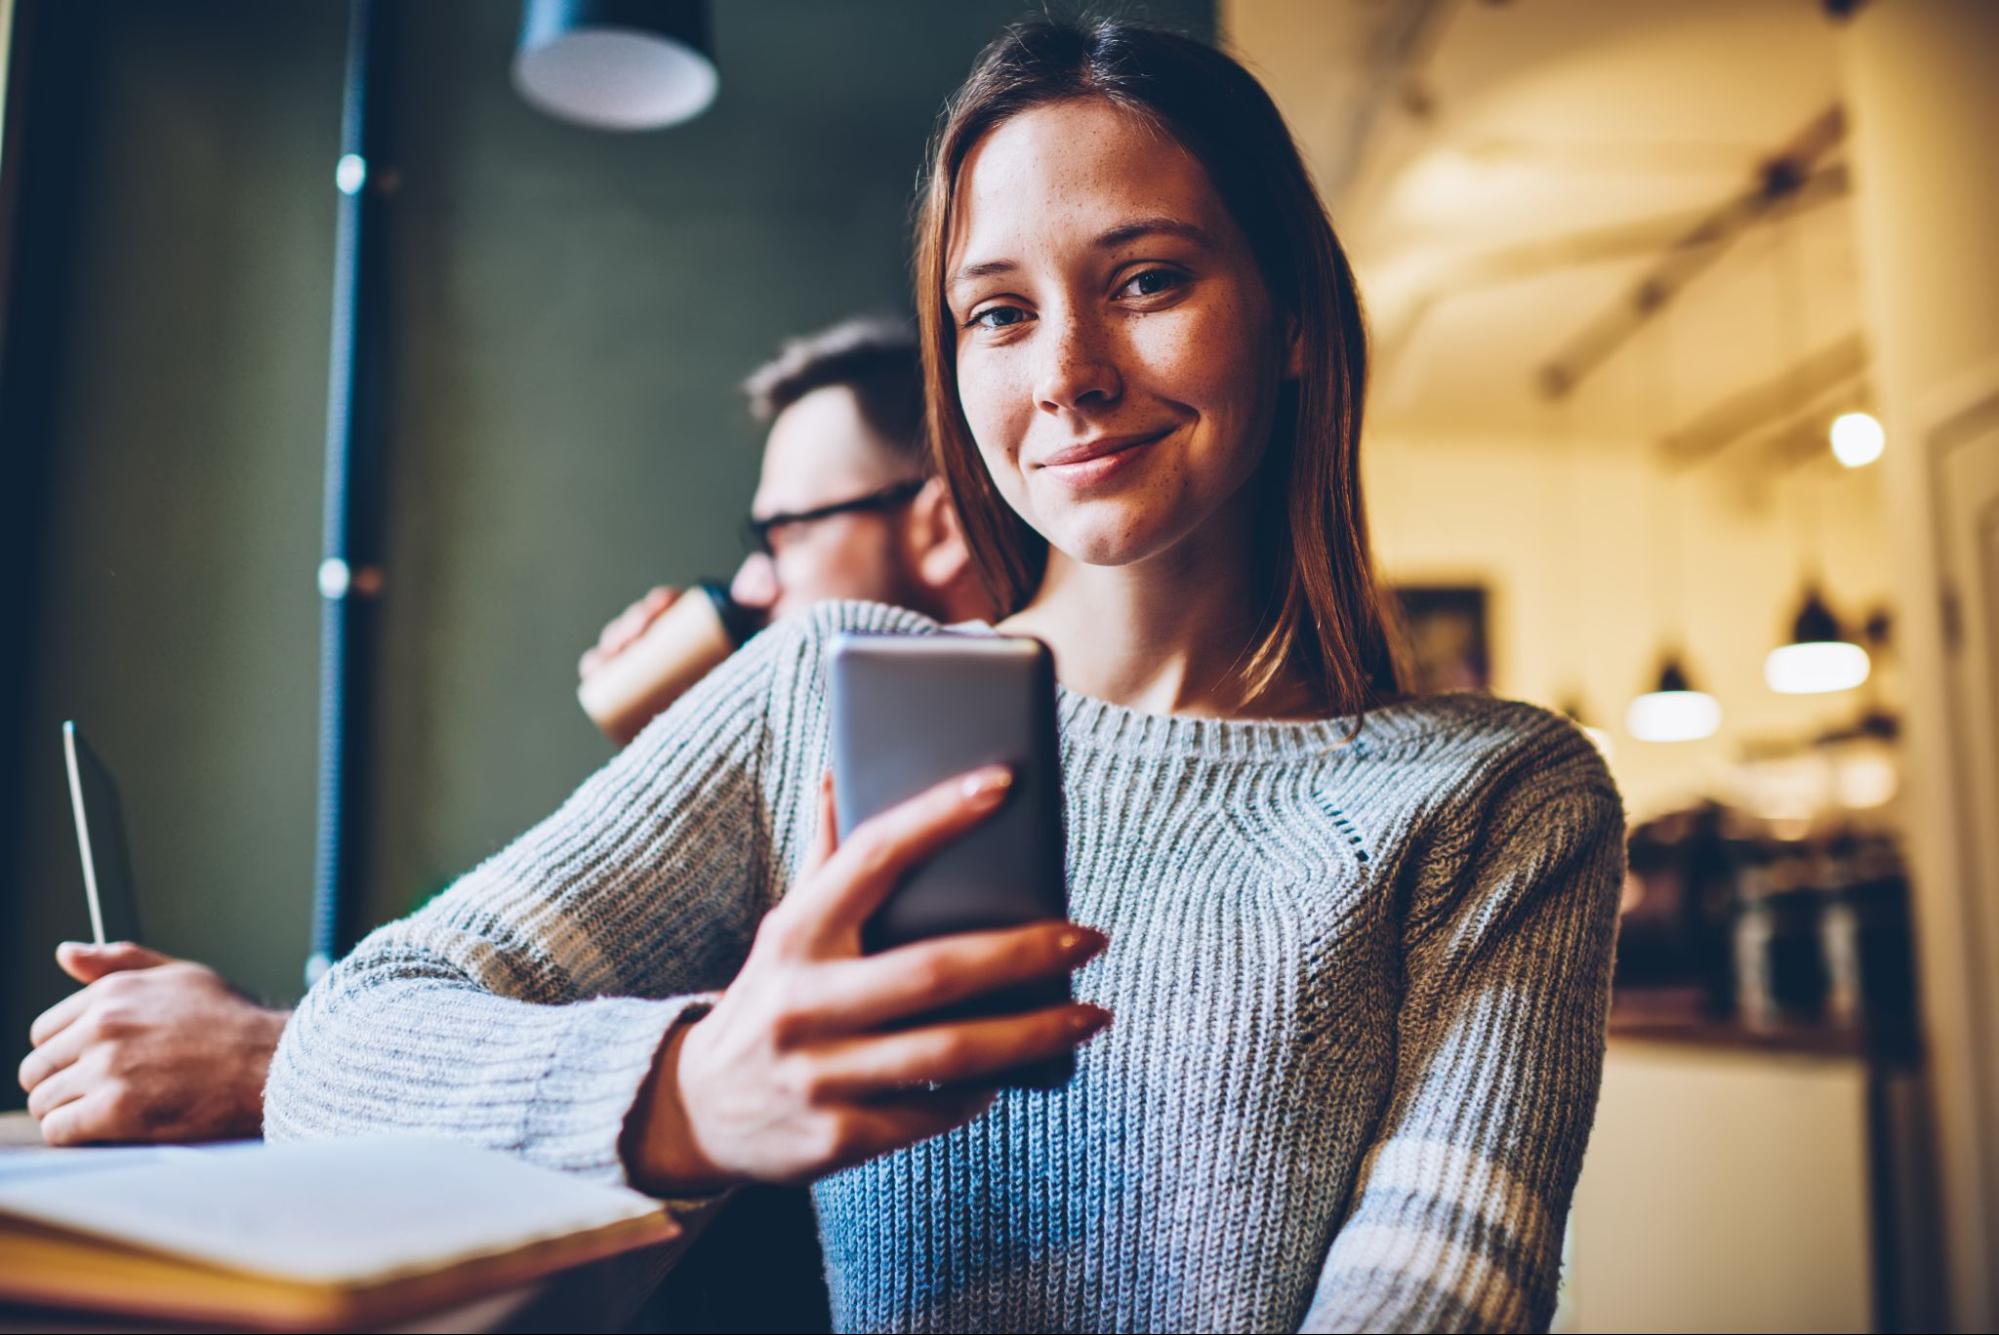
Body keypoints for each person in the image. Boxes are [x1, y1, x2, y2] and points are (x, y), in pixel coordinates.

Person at [265, 21, 1627, 1334]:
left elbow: (1443, 1278)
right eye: (997, 313)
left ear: (1287, 315)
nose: (1067, 375)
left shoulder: (1495, 794)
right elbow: (350, 1041)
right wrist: (695, 1088)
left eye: (1146, 279)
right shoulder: (818, 690)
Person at [17, 316, 987, 1149]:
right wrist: (685, 757)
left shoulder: (820, 667)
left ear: (940, 527)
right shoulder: (781, 705)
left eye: (787, 533)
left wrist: (253, 1056)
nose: (751, 588)